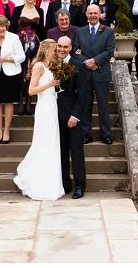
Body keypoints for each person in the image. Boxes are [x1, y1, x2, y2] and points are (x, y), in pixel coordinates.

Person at [12, 39, 65, 200]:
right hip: (44, 106)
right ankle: (33, 178)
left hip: (53, 105)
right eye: (54, 49)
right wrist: (50, 84)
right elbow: (31, 90)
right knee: (44, 141)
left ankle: (52, 181)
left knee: (52, 143)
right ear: (47, 50)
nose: (56, 52)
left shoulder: (52, 66)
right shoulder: (38, 66)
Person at [75, 5, 116, 146]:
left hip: (101, 73)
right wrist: (86, 61)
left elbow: (110, 50)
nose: (92, 15)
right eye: (90, 13)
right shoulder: (80, 32)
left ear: (100, 15)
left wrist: (95, 61)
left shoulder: (108, 31)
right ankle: (86, 135)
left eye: (95, 13)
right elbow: (76, 51)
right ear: (86, 15)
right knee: (85, 106)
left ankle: (106, 135)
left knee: (103, 106)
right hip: (84, 74)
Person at [55, 36, 87, 198]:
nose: (62, 49)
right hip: (55, 115)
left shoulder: (78, 65)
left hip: (73, 116)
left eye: (65, 47)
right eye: (59, 46)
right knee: (60, 151)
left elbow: (84, 95)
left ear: (71, 47)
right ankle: (64, 183)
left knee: (76, 151)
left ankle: (80, 185)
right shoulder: (51, 64)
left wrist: (75, 116)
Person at [0, 15, 25, 145]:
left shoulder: (13, 37)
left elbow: (22, 56)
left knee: (8, 102)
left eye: (2, 26)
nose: (0, 28)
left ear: (6, 26)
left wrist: (6, 59)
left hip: (11, 73)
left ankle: (6, 131)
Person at [10, 0, 45, 115]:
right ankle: (20, 100)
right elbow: (13, 28)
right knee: (21, 71)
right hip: (20, 44)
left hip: (34, 45)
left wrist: (44, 45)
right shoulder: (18, 9)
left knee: (32, 70)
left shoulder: (40, 10)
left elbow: (41, 30)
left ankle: (29, 101)